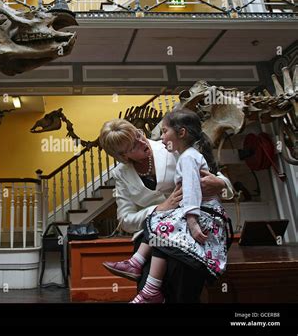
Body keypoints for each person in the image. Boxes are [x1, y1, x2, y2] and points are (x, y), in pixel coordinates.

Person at [99, 116, 233, 303]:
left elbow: (225, 185)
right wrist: (159, 209)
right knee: (147, 276)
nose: (141, 141)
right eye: (132, 146)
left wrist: (220, 184)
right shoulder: (120, 174)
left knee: (181, 269)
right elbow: (125, 220)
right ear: (123, 156)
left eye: (138, 134)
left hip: (193, 227)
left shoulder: (173, 144)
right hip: (150, 237)